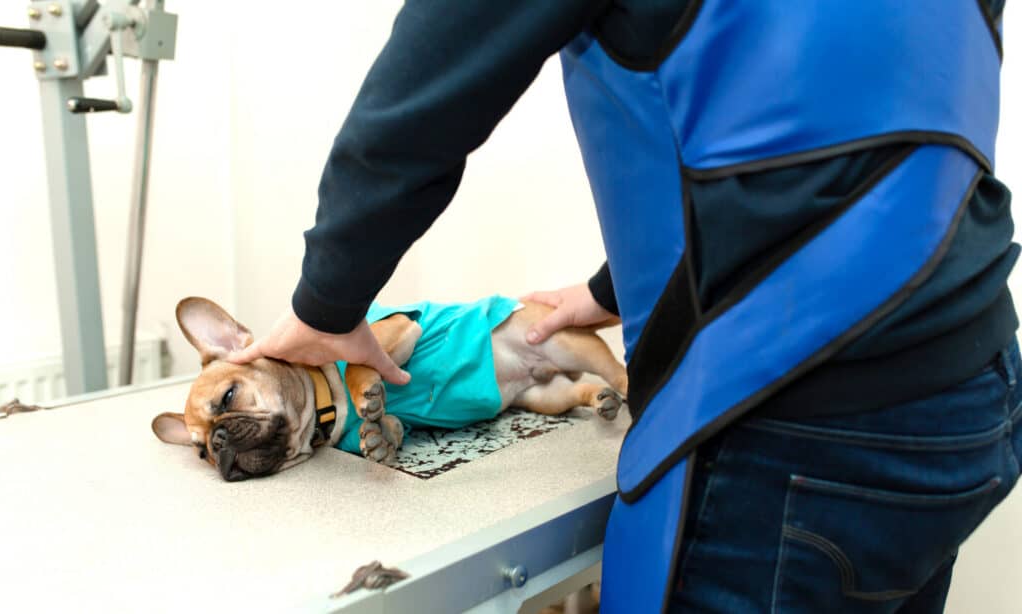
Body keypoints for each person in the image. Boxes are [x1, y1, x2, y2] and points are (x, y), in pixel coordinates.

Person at [229, 2, 1021, 612]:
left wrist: (328, 299)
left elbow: (428, 92)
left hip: (785, 418)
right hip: (972, 392)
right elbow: (845, 113)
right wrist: (615, 289)